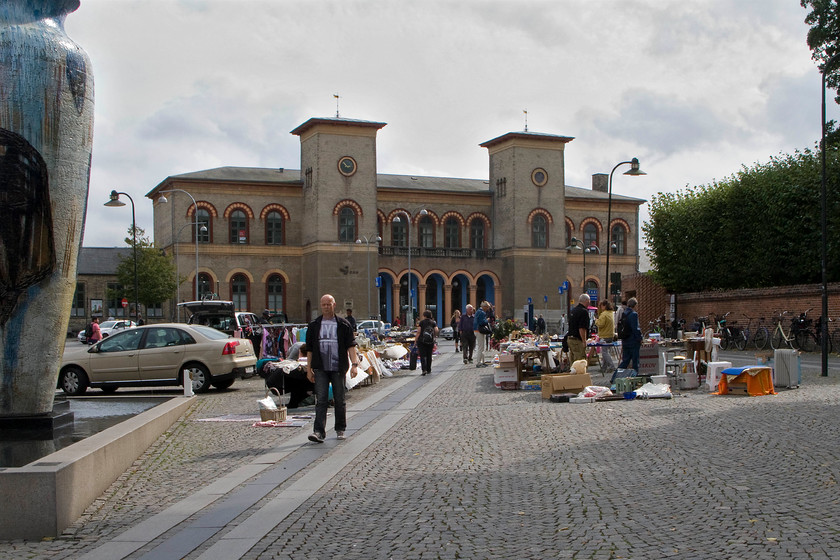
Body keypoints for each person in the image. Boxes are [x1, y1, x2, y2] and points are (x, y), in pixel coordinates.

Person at [305, 294, 359, 443]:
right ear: (321, 306)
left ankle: (340, 428)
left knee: (339, 399)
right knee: (321, 399)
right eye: (324, 304)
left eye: (329, 304)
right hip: (320, 367)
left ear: (334, 305)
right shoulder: (314, 325)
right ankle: (318, 432)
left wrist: (354, 365)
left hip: (338, 367)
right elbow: (309, 349)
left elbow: (351, 345)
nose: (326, 307)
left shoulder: (343, 324)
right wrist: (308, 369)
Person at [617, 297, 642, 375]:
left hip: (625, 340)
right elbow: (635, 328)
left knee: (625, 361)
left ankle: (615, 377)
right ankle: (635, 378)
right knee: (635, 362)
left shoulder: (624, 313)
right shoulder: (634, 314)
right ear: (635, 305)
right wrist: (640, 338)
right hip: (633, 341)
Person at [594, 300, 617, 374]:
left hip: (604, 335)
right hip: (610, 335)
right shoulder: (611, 313)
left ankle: (612, 366)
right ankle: (604, 367)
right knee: (606, 351)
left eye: (600, 306)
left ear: (604, 306)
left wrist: (596, 321)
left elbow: (601, 324)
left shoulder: (603, 314)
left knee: (604, 352)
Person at [567, 294, 591, 364]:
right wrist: (584, 341)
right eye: (589, 301)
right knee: (580, 362)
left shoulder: (573, 310)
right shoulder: (584, 312)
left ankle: (573, 374)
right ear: (586, 301)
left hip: (570, 339)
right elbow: (582, 328)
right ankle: (579, 375)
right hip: (577, 340)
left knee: (573, 361)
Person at [415, 309, 438, 375]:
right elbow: (436, 330)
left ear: (424, 316)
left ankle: (424, 370)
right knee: (429, 355)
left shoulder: (421, 322)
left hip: (422, 341)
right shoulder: (433, 322)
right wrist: (434, 336)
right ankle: (429, 369)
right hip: (430, 341)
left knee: (423, 355)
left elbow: (418, 332)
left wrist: (416, 340)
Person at [474, 301, 491, 367]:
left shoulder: (478, 311)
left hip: (476, 330)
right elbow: (482, 322)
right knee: (481, 347)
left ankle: (482, 361)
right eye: (487, 307)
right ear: (484, 307)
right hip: (479, 331)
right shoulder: (482, 313)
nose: (487, 309)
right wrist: (487, 320)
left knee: (482, 346)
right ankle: (479, 362)